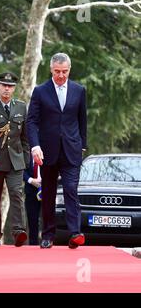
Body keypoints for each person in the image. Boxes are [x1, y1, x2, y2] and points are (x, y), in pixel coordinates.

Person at [26, 52, 87, 249]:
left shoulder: (79, 90)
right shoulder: (40, 91)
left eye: (65, 71)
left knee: (70, 189)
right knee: (49, 193)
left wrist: (82, 145)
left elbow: (81, 120)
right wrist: (35, 146)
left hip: (71, 150)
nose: (61, 75)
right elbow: (32, 121)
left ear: (70, 70)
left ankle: (75, 233)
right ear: (51, 70)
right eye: (57, 71)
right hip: (47, 151)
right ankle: (48, 235)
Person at [0, 72, 30, 247]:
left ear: (14, 89)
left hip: (15, 161)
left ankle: (19, 231)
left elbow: (25, 137)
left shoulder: (21, 107)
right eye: (3, 85)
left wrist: (25, 159)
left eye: (10, 86)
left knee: (17, 194)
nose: (6, 89)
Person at [23, 153, 42, 245]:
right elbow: (20, 169)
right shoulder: (26, 152)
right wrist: (30, 180)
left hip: (47, 189)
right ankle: (33, 244)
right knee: (32, 220)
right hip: (30, 190)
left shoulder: (48, 150)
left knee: (49, 218)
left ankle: (49, 240)